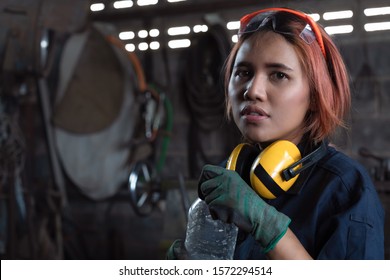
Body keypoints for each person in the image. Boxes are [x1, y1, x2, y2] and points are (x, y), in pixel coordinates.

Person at [167, 7, 385, 260]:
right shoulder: (230, 179)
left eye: (279, 75)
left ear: (315, 95)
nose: (253, 90)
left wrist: (270, 229)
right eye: (244, 73)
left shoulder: (344, 188)